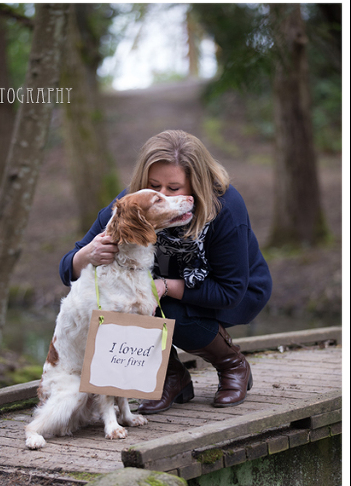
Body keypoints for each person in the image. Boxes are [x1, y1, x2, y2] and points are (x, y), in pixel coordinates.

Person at [60, 129, 272, 413]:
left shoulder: (225, 207)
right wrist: (88, 254)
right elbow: (67, 270)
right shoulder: (134, 206)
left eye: (174, 189)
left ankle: (232, 365)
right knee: (124, 304)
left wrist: (164, 287)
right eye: (153, 185)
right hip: (159, 290)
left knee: (168, 311)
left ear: (196, 183)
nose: (162, 196)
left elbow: (230, 291)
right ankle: (172, 379)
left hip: (235, 290)